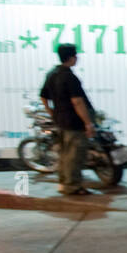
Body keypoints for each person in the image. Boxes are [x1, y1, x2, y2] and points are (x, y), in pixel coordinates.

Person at [39, 43, 95, 196]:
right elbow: (77, 101)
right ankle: (73, 186)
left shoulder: (52, 74)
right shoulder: (69, 77)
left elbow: (43, 96)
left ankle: (63, 183)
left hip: (60, 120)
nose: (77, 58)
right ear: (72, 57)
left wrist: (51, 112)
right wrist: (88, 123)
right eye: (76, 55)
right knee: (75, 155)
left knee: (64, 153)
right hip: (74, 122)